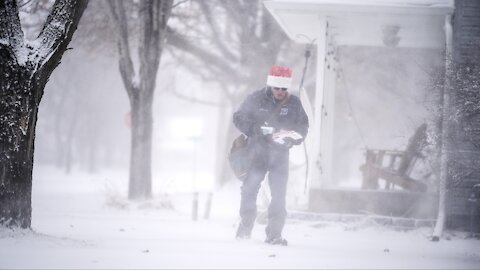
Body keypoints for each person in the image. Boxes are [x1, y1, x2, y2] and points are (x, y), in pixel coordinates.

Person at [232, 65, 309, 246]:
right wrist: (255, 130)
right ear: (270, 86)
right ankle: (246, 224)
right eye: (277, 88)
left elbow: (303, 126)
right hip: (256, 153)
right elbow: (238, 117)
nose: (280, 92)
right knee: (250, 189)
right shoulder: (256, 98)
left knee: (279, 195)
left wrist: (293, 139)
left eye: (284, 89)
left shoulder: (294, 103)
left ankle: (274, 234)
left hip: (280, 155)